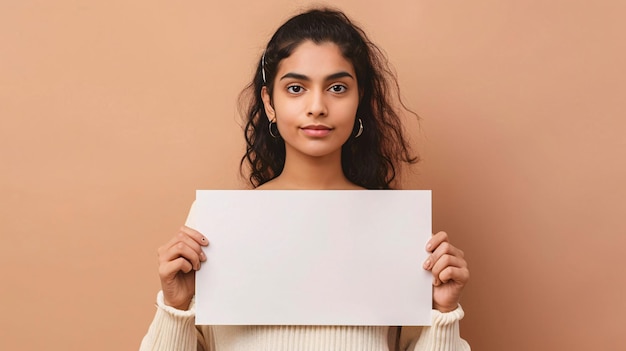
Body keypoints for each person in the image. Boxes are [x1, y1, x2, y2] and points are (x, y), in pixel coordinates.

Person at [140, 8, 470, 351]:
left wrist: (443, 311)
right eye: (296, 88)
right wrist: (175, 306)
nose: (317, 106)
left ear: (360, 100)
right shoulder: (215, 224)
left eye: (337, 87)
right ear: (270, 103)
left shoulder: (396, 226)